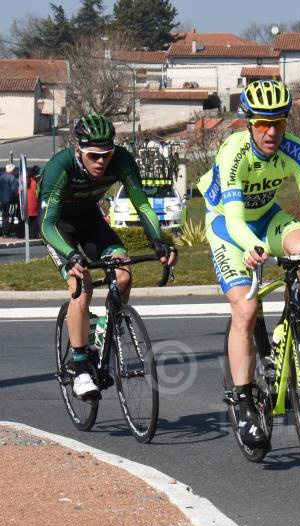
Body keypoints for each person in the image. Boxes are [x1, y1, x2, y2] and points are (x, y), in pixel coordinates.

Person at [197, 79, 300, 448]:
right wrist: (251, 247)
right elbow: (235, 219)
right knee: (246, 309)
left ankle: (288, 326)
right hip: (227, 226)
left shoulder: (296, 150)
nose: (271, 132)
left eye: (279, 123)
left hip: (265, 216)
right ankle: (242, 401)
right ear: (248, 123)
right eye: (262, 124)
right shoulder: (233, 153)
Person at [39, 113, 178, 397]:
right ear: (79, 150)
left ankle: (105, 333)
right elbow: (46, 224)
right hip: (59, 228)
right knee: (82, 286)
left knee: (123, 274)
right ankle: (79, 368)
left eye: (106, 155)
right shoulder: (60, 167)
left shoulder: (122, 160)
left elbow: (142, 205)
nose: (101, 162)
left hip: (91, 222)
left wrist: (159, 242)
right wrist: (71, 256)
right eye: (93, 156)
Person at [0, 164, 16, 236]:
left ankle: (3, 231)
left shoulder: (1, 177)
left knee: (4, 215)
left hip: (1, 199)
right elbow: (14, 190)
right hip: (10, 200)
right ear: (12, 170)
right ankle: (6, 231)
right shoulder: (12, 178)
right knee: (9, 216)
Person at [26, 166, 41, 239]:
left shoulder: (24, 182)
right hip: (34, 207)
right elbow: (39, 194)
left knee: (26, 223)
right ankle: (33, 236)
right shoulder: (35, 183)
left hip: (25, 206)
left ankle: (25, 235)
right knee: (34, 224)